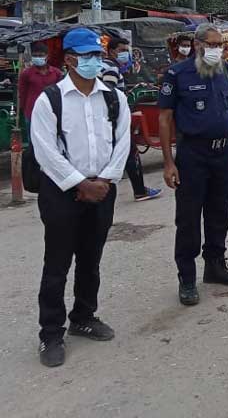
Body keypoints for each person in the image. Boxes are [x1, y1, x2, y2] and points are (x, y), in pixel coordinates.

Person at [31, 27, 131, 367]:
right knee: (57, 264)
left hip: (103, 189)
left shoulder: (114, 98)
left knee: (91, 258)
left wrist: (103, 181)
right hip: (61, 193)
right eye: (87, 56)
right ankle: (50, 334)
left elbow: (122, 143)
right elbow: (45, 150)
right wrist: (79, 183)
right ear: (71, 60)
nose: (94, 61)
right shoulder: (51, 99)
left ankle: (84, 316)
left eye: (97, 55)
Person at [158, 23, 228, 307]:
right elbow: (165, 118)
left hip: (223, 153)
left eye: (220, 45)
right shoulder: (177, 74)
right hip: (192, 155)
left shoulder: (225, 71)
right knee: (188, 218)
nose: (217, 49)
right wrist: (169, 162)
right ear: (197, 45)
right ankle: (187, 278)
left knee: (220, 213)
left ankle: (215, 265)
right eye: (212, 44)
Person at [101, 38, 162, 202]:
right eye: (122, 50)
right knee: (130, 152)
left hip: (108, 119)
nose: (125, 53)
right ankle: (139, 191)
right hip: (114, 119)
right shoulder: (111, 68)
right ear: (112, 51)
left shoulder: (106, 66)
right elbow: (109, 94)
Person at [17, 42, 63, 125]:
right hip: (31, 111)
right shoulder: (26, 73)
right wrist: (23, 109)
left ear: (47, 56)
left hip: (51, 112)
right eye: (35, 56)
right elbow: (22, 93)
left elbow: (60, 93)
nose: (38, 57)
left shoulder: (56, 73)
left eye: (40, 55)